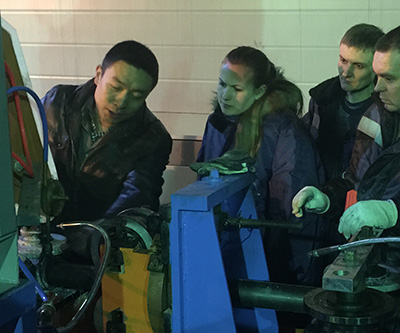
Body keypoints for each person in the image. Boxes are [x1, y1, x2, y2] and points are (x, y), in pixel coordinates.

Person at [197, 46, 323, 285]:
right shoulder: (217, 122)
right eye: (222, 84)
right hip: (223, 245)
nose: (225, 96)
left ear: (260, 91)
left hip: (270, 255)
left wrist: (277, 265)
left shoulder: (282, 130)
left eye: (237, 89)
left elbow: (288, 206)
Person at [292, 26, 400, 261]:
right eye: (378, 75)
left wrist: (393, 212)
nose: (378, 87)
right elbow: (356, 180)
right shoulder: (378, 116)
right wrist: (326, 198)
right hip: (377, 258)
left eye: (389, 78)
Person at [42, 40, 172, 222]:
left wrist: (93, 234)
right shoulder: (57, 102)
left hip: (100, 236)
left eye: (136, 96)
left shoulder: (152, 138)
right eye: (116, 87)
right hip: (39, 228)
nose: (122, 102)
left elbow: (135, 201)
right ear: (98, 75)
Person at [304, 23, 384, 181]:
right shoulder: (321, 100)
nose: (346, 72)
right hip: (319, 192)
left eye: (358, 66)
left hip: (360, 194)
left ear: (376, 68)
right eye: (343, 60)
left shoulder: (385, 112)